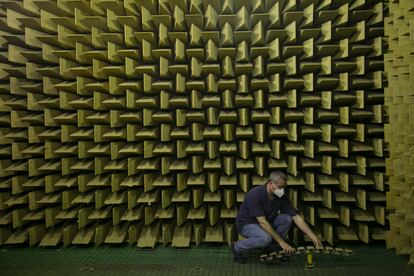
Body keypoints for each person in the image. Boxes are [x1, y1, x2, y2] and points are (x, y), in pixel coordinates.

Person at [231, 171, 323, 263]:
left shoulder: (280, 196)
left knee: (286, 218)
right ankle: (237, 247)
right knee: (265, 238)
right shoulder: (254, 194)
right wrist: (282, 242)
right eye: (280, 187)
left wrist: (312, 236)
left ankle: (272, 248)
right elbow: (262, 222)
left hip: (266, 222)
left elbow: (295, 217)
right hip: (247, 224)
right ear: (271, 183)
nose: (282, 190)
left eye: (284, 187)